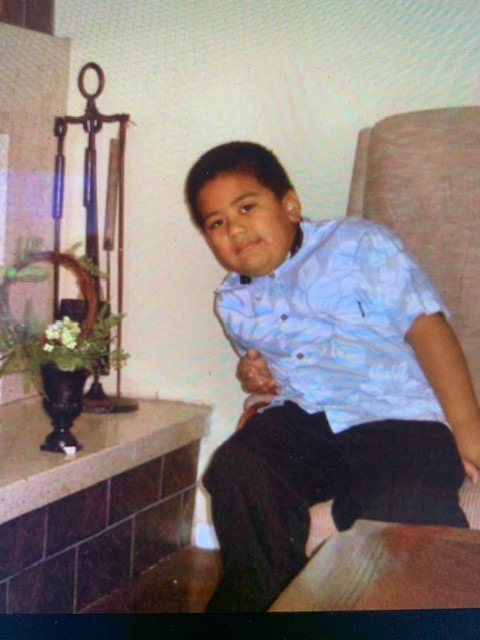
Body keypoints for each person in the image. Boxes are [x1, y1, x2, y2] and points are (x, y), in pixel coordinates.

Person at [184, 141, 480, 612]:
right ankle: (265, 603)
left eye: (246, 207)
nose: (234, 228)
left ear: (290, 206)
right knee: (236, 468)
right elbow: (265, 369)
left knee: (412, 496)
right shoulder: (232, 302)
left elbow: (427, 328)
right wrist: (253, 377)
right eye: (215, 222)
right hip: (306, 423)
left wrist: (468, 429)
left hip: (396, 417)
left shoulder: (359, 244)